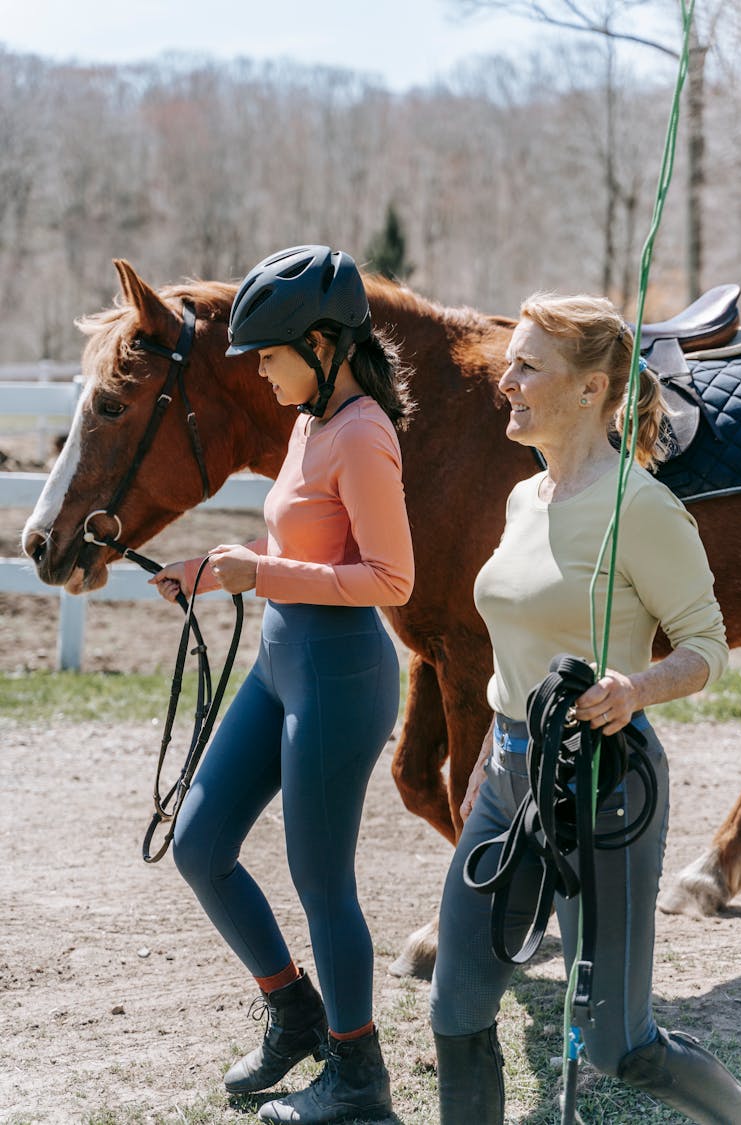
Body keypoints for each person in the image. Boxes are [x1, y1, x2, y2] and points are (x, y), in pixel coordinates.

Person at [429, 292, 741, 1124]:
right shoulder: (520, 499)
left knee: (619, 1043)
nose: (507, 380)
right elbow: (512, 642)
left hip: (604, 785)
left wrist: (635, 686)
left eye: (529, 365)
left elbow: (705, 645)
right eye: (513, 362)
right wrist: (493, 761)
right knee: (456, 1011)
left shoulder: (641, 509)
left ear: (591, 389)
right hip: (507, 779)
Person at [150, 245, 414, 1124]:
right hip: (281, 661)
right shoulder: (307, 421)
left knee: (319, 878)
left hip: (342, 676)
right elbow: (305, 552)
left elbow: (390, 579)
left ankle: (358, 1078)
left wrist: (259, 574)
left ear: (323, 342)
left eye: (270, 355)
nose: (260, 373)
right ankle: (293, 1008)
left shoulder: (364, 433)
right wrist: (219, 566)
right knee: (200, 842)